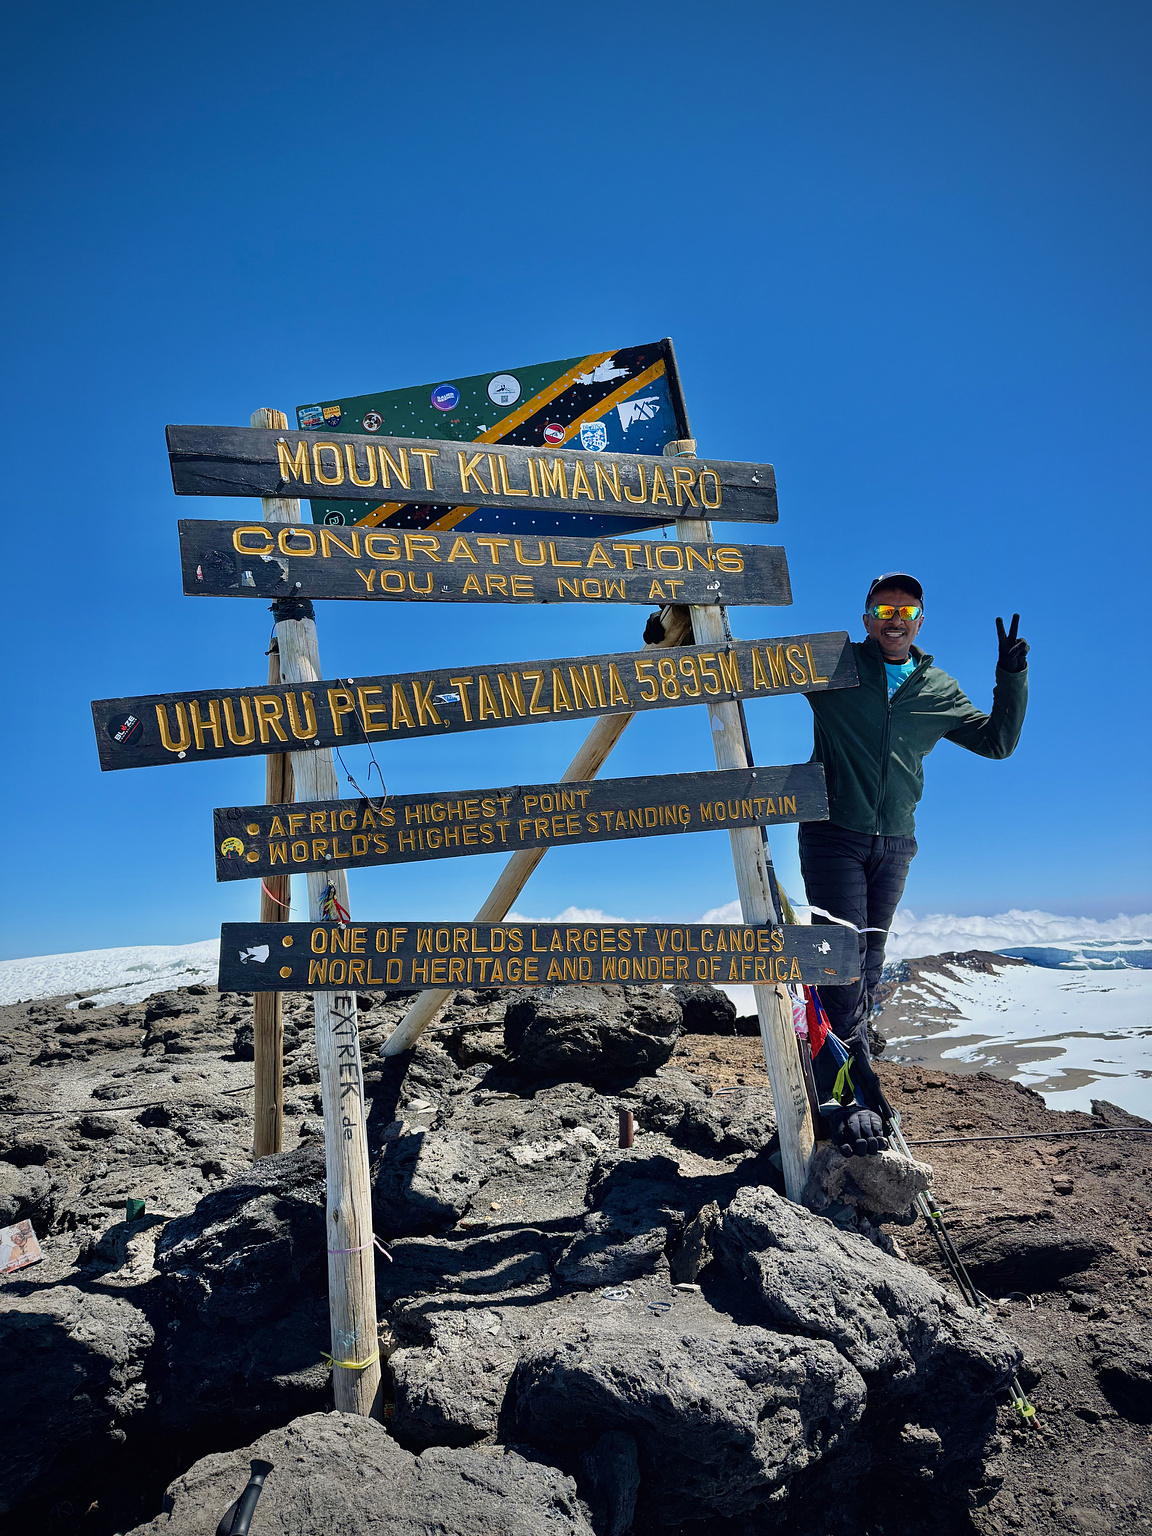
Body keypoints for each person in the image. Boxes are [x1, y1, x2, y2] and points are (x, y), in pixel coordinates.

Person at [801, 573, 1028, 1156]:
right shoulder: (834, 664)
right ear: (866, 617)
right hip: (833, 837)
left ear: (920, 620)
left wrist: (1011, 676)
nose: (894, 618)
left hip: (895, 845)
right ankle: (840, 1104)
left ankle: (858, 1085)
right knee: (839, 973)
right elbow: (752, 672)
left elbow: (998, 743)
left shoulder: (937, 687)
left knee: (868, 973)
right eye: (882, 608)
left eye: (906, 609)